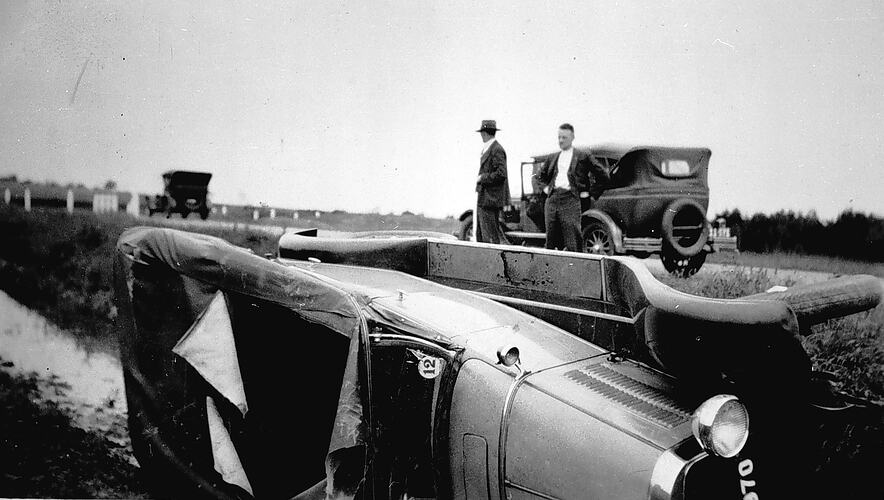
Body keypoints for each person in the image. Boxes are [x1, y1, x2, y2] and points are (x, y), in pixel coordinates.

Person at [536, 123, 609, 251]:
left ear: (572, 137)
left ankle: (575, 268)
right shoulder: (553, 157)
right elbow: (538, 176)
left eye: (564, 137)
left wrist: (590, 192)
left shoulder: (582, 155)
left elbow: (603, 175)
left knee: (573, 239)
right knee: (551, 240)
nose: (561, 140)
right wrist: (545, 188)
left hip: (571, 199)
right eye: (559, 137)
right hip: (552, 200)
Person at [474, 120, 509, 243]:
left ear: (484, 133)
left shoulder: (496, 149)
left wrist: (482, 178)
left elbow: (501, 174)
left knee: (489, 237)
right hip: (486, 198)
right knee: (483, 235)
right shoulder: (490, 148)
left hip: (490, 200)